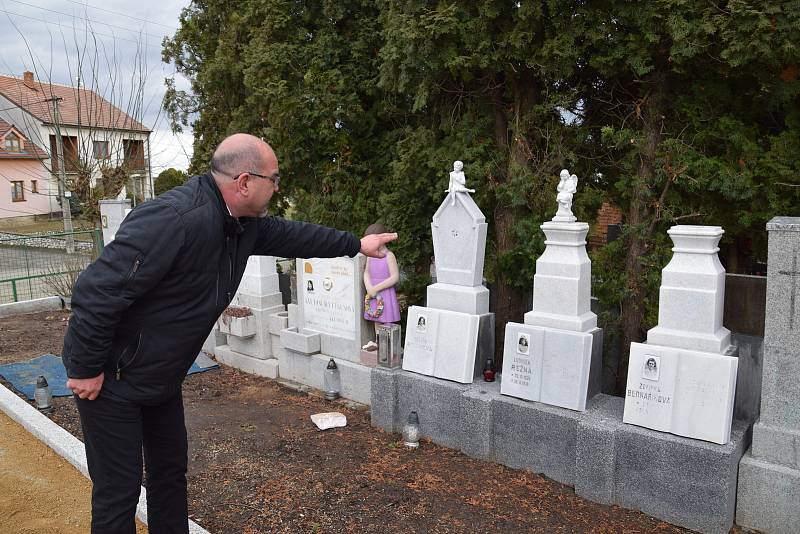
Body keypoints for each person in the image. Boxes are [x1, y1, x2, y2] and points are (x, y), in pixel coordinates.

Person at [61, 133, 397, 534]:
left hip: (161, 379)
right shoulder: (175, 219)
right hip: (114, 380)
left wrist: (356, 244)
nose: (277, 188)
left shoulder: (241, 224)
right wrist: (84, 367)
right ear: (244, 182)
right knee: (119, 493)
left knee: (170, 477)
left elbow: (296, 235)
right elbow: (97, 292)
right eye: (273, 179)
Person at [362, 223, 401, 350]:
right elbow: (366, 272)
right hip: (373, 292)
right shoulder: (370, 255)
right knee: (376, 318)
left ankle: (388, 344)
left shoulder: (389, 256)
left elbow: (394, 277)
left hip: (384, 291)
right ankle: (378, 342)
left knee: (386, 317)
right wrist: (369, 286)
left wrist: (376, 288)